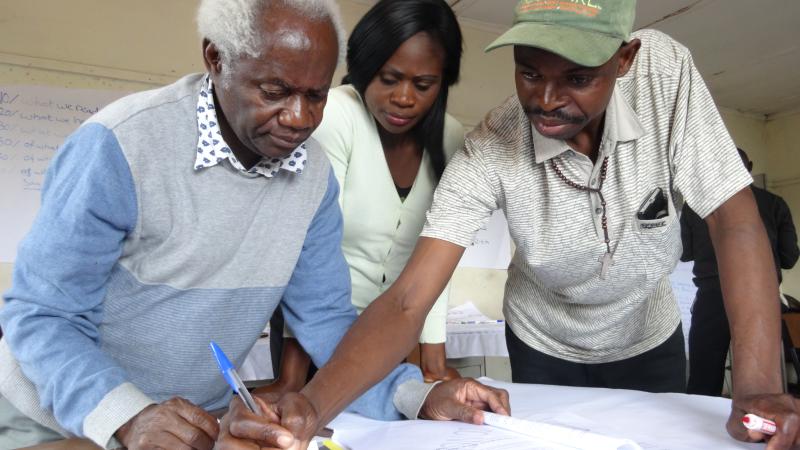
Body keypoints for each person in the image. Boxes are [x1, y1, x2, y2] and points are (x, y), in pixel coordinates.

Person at [249, 0, 800, 448]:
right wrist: (314, 405)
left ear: (625, 59)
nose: (547, 100)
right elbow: (407, 298)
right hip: (542, 340)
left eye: (578, 78)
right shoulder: (491, 145)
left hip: (645, 333)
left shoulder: (665, 75)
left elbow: (734, 221)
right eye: (530, 72)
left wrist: (757, 390)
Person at [0, 1, 509, 449]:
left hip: (195, 426)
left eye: (316, 95)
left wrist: (416, 394)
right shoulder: (121, 145)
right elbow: (43, 316)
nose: (299, 118)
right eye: (276, 90)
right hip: (55, 421)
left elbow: (329, 327)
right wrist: (127, 416)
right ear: (216, 58)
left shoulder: (312, 178)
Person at [268, 0, 464, 394]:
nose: (405, 98)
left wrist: (435, 359)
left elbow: (439, 258)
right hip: (311, 332)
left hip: (391, 333)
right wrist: (291, 378)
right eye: (389, 79)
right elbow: (309, 251)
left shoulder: (452, 138)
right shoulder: (338, 116)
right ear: (363, 69)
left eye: (423, 85)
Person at [683, 148, 799, 396]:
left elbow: (683, 253)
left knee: (704, 378)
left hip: (712, 298)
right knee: (764, 387)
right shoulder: (774, 204)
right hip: (763, 296)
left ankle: (701, 431)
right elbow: (789, 258)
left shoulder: (695, 208)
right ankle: (762, 424)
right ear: (750, 167)